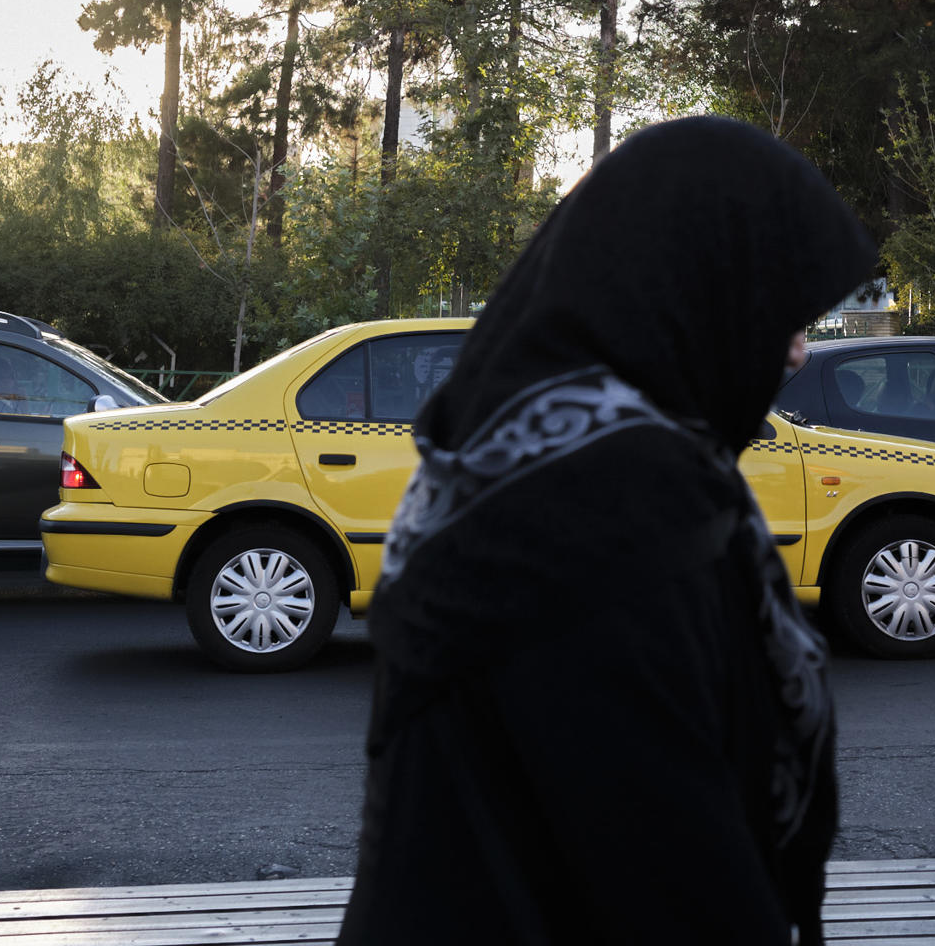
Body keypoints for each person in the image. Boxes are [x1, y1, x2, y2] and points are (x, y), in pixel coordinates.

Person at [337, 116, 875, 945]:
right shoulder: (606, 512)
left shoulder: (528, 456)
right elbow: (674, 881)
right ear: (692, 290)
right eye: (781, 313)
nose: (799, 352)